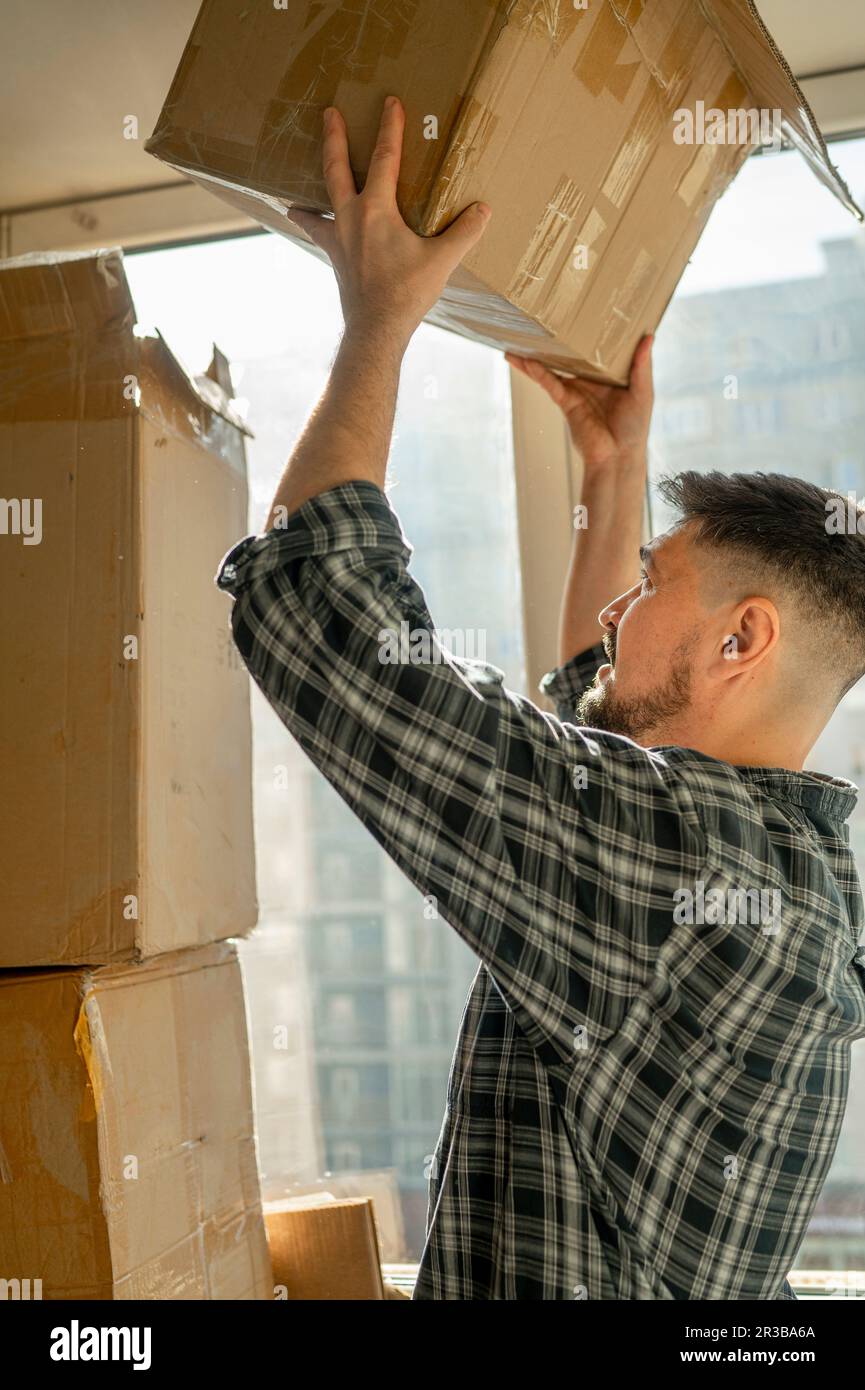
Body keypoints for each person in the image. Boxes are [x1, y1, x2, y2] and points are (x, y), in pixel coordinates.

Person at [216, 95, 865, 1299]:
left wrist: (378, 323)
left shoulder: (690, 872)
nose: (620, 610)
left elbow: (321, 621)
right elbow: (595, 715)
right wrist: (610, 473)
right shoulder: (788, 869)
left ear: (741, 640)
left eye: (649, 585)